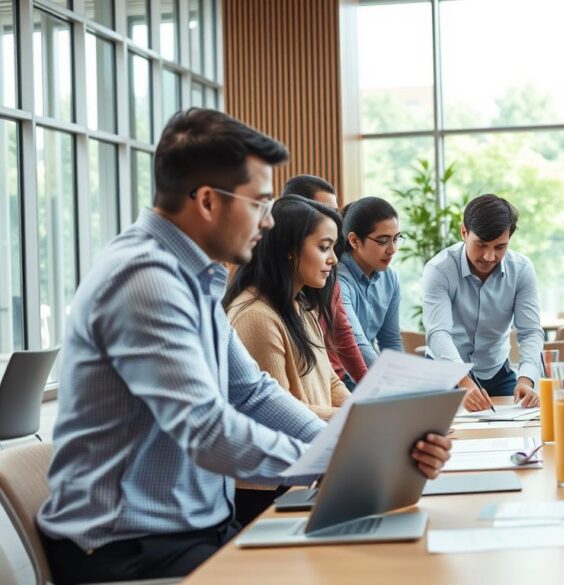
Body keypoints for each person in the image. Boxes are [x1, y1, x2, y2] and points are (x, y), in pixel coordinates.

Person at [36, 109, 453, 584]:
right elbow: (206, 430)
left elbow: (251, 392)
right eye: (259, 202)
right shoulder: (145, 279)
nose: (270, 220)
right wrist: (344, 461)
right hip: (130, 550)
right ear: (209, 201)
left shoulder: (192, 278)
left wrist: (355, 449)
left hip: (194, 532)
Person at [224, 195, 351, 525]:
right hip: (266, 488)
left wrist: (360, 414)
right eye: (324, 247)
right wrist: (356, 419)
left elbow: (330, 381)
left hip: (306, 463)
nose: (333, 259)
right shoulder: (255, 316)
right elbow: (277, 409)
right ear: (290, 249)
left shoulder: (300, 305)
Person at [422, 194, 543, 411]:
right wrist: (462, 379)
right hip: (445, 372)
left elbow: (530, 331)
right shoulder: (439, 270)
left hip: (497, 372)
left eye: (500, 247)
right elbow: (438, 333)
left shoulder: (522, 269)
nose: (489, 256)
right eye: (481, 245)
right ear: (464, 232)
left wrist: (526, 378)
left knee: (515, 432)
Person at [281, 174, 372, 383]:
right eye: (327, 211)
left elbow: (343, 333)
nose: (335, 221)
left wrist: (370, 389)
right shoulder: (260, 307)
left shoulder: (323, 277)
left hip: (332, 382)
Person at [335, 196, 405, 366]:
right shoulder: (337, 279)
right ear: (354, 241)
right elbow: (357, 343)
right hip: (341, 380)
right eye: (382, 241)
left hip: (372, 376)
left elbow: (391, 342)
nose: (392, 249)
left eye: (396, 239)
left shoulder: (390, 278)